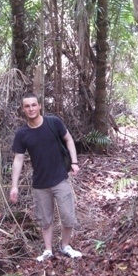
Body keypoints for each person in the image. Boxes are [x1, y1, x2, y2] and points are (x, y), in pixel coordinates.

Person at [9, 93, 82, 261]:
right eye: (27, 106)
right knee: (45, 220)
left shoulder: (53, 123)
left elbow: (69, 140)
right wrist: (14, 185)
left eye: (33, 105)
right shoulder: (22, 133)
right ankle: (48, 250)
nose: (31, 109)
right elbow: (18, 159)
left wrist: (74, 162)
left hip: (60, 179)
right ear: (23, 109)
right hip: (40, 183)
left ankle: (65, 246)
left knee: (68, 217)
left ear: (39, 106)